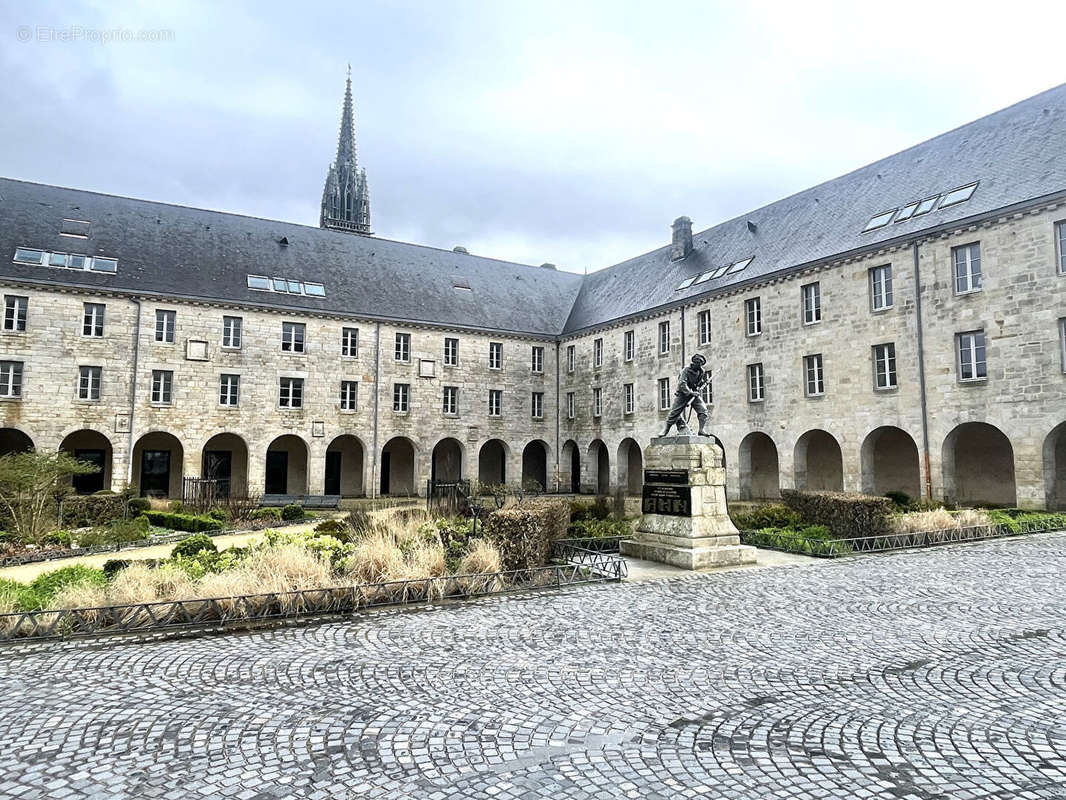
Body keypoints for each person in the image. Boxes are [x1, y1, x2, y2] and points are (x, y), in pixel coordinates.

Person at [662, 353, 712, 437]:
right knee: (674, 413)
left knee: (703, 411)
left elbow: (698, 383)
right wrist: (691, 392)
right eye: (699, 363)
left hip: (693, 393)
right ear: (694, 363)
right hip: (683, 393)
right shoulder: (685, 370)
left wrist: (703, 384)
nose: (700, 365)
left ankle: (701, 430)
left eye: (702, 364)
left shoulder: (701, 371)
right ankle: (665, 430)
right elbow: (682, 384)